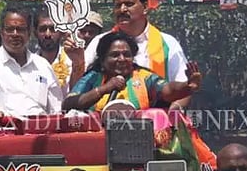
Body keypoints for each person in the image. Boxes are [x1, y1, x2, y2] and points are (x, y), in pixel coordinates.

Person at [63, 30, 201, 114]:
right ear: (103, 59)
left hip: (139, 143)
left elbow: (167, 90)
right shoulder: (94, 77)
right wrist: (105, 89)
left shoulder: (143, 76)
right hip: (96, 143)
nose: (122, 59)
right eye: (115, 55)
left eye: (127, 54)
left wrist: (187, 87)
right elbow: (68, 104)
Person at [85, 0, 189, 85]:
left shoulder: (168, 44)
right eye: (118, 5)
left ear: (145, 7)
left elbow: (183, 86)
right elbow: (79, 86)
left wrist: (175, 102)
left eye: (129, 4)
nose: (122, 9)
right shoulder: (99, 42)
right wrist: (77, 63)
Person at [0, 7, 63, 122]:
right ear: (2, 32)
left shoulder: (43, 65)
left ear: (29, 32)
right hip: (5, 129)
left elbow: (56, 108)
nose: (15, 34)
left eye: (20, 29)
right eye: (10, 29)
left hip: (40, 130)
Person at [33, 5, 85, 97]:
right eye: (43, 29)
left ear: (61, 32)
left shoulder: (72, 61)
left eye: (53, 29)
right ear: (35, 33)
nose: (48, 34)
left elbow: (77, 94)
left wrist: (77, 63)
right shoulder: (30, 64)